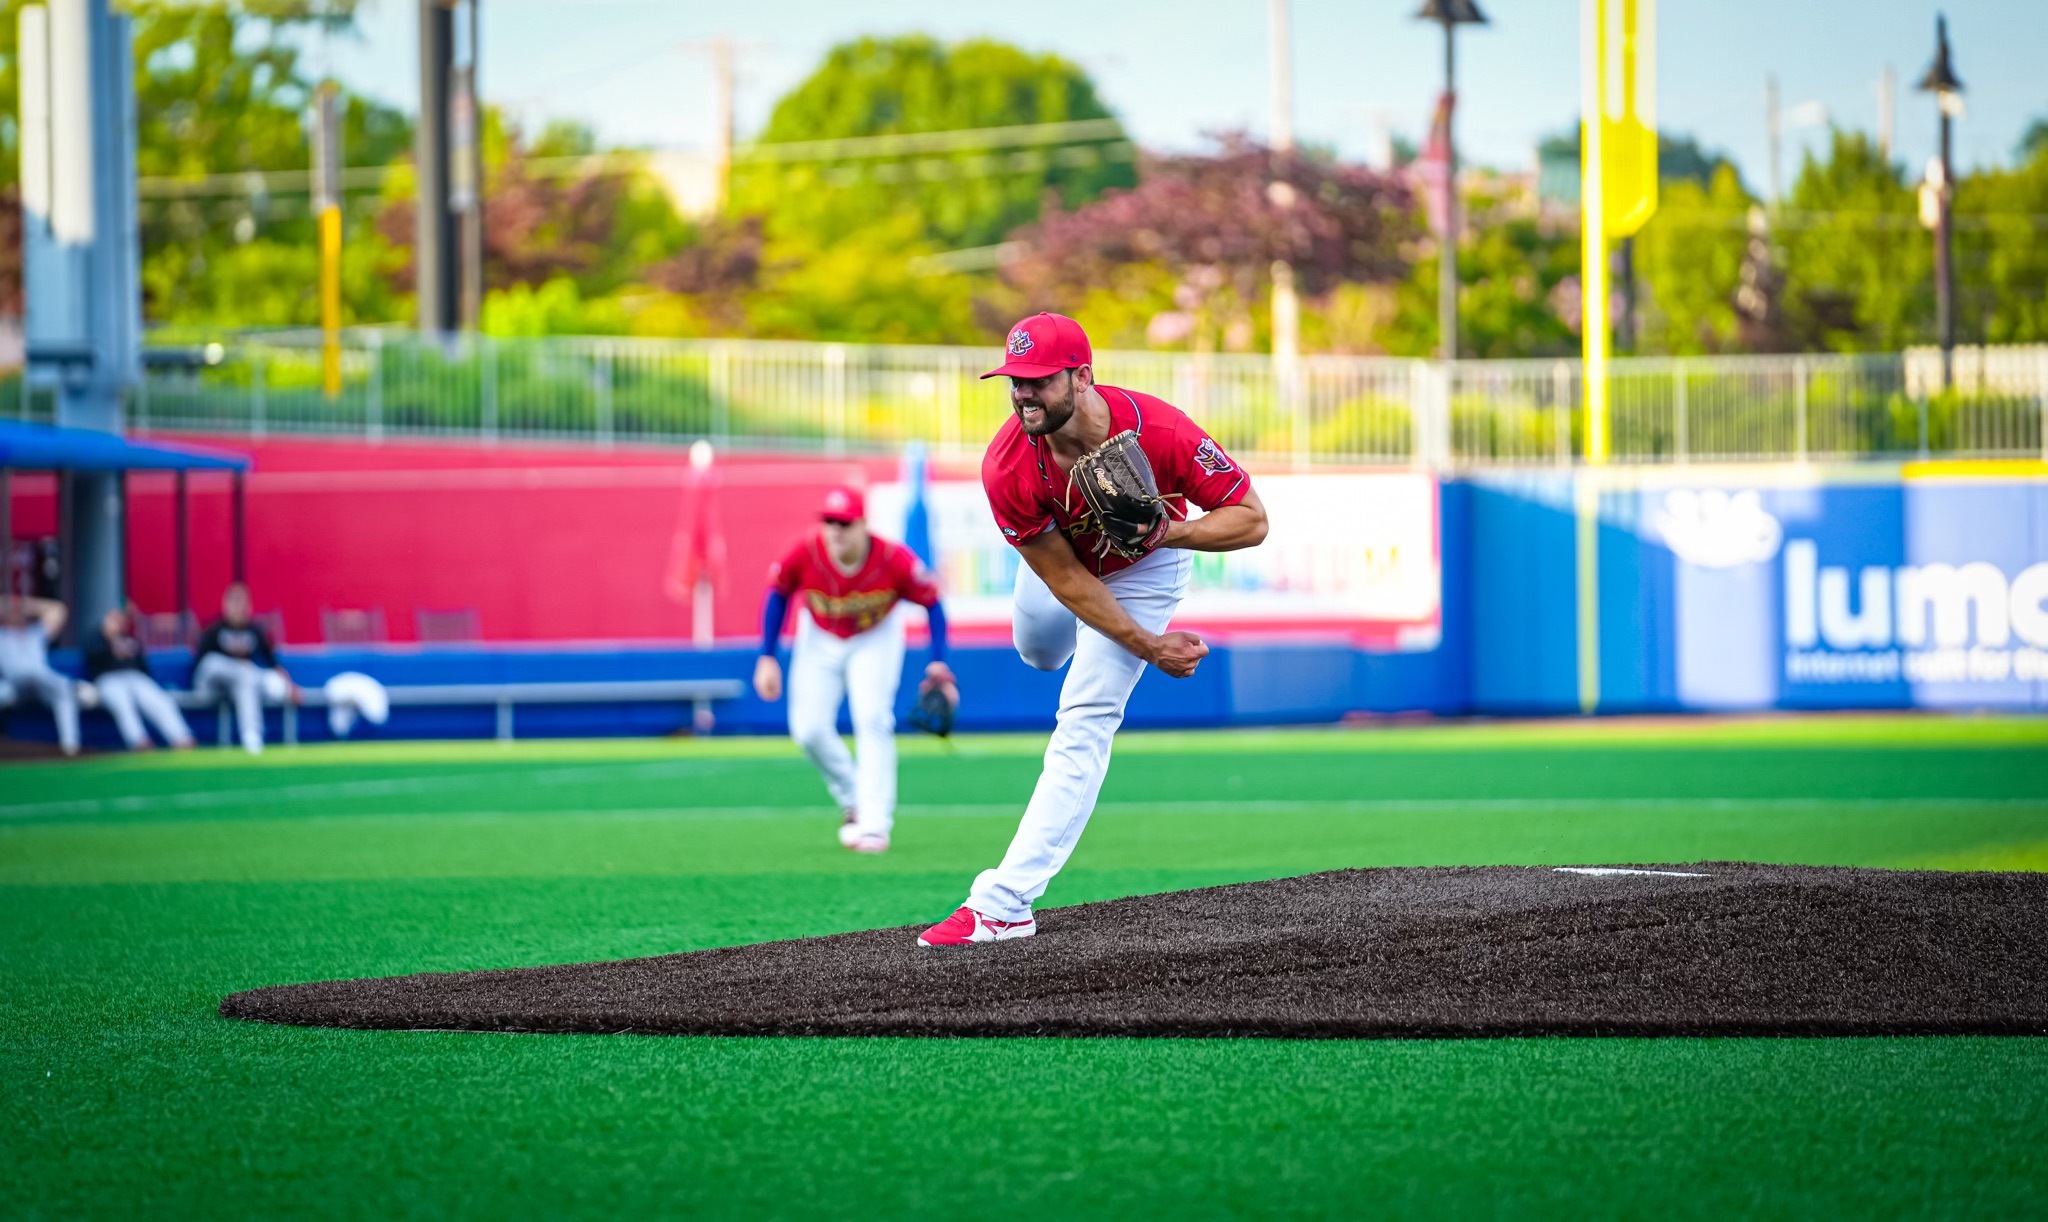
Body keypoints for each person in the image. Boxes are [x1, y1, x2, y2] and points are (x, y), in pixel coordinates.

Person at [917, 312, 1269, 947]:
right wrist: (1150, 646)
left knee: (1085, 713)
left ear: (1082, 377)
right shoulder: (1007, 466)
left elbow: (1250, 519)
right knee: (1039, 651)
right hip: (1064, 567)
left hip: (1147, 565)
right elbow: (1067, 580)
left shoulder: (1160, 431)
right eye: (1013, 379)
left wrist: (1170, 531)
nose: (1022, 392)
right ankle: (1085, 650)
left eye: (1038, 379)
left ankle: (1003, 904)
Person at [753, 485, 955, 854]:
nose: (836, 530)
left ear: (863, 524)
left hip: (875, 636)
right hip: (819, 635)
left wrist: (938, 660)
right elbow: (778, 593)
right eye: (830, 521)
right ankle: (853, 799)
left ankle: (875, 824)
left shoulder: (894, 559)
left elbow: (933, 602)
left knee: (873, 718)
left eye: (844, 523)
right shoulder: (806, 552)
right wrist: (767, 656)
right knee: (808, 730)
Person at [192, 583, 299, 755]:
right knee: (224, 665)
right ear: (225, 604)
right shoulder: (214, 629)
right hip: (209, 685)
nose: (237, 608)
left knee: (247, 679)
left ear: (248, 605)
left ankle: (251, 736)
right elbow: (201, 664)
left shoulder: (255, 630)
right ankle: (265, 684)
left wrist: (288, 683)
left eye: (241, 603)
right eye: (233, 603)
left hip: (239, 685)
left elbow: (272, 661)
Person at [83, 605, 195, 751]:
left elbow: (144, 668)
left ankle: (182, 738)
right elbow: (92, 660)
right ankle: (139, 742)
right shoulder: (96, 640)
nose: (116, 622)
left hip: (135, 677)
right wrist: (109, 639)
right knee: (122, 702)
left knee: (159, 699)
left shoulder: (131, 639)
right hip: (108, 680)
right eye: (113, 618)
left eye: (120, 619)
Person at [0, 594, 81, 756]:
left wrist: (26, 605)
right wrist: (8, 605)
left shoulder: (35, 632)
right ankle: (75, 688)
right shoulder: (2, 636)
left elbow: (59, 609)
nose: (16, 615)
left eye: (19, 612)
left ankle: (70, 748)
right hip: (14, 686)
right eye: (12, 612)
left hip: (43, 685)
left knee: (64, 694)